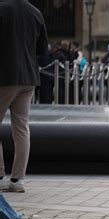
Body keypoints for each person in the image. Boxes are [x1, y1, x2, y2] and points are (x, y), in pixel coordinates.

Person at [0, 0, 49, 193]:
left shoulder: (2, 9)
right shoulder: (35, 12)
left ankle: (0, 175)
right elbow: (42, 50)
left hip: (4, 77)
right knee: (21, 128)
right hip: (28, 78)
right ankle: (17, 179)